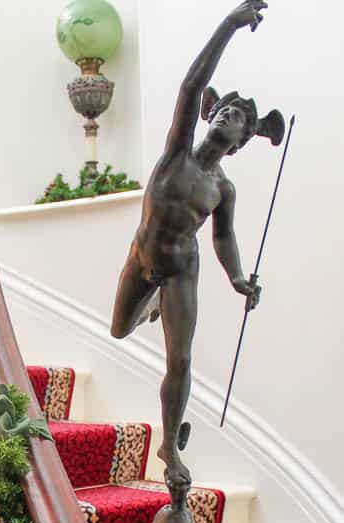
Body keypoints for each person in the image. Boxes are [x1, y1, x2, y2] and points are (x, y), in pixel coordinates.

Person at [111, 0, 284, 497]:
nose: (226, 116)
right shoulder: (177, 152)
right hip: (142, 258)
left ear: (241, 140)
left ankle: (170, 447)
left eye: (236, 118)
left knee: (180, 361)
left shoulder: (221, 189)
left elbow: (223, 237)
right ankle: (152, 303)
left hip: (184, 269)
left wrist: (237, 277)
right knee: (120, 330)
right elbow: (191, 86)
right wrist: (229, 24)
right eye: (224, 109)